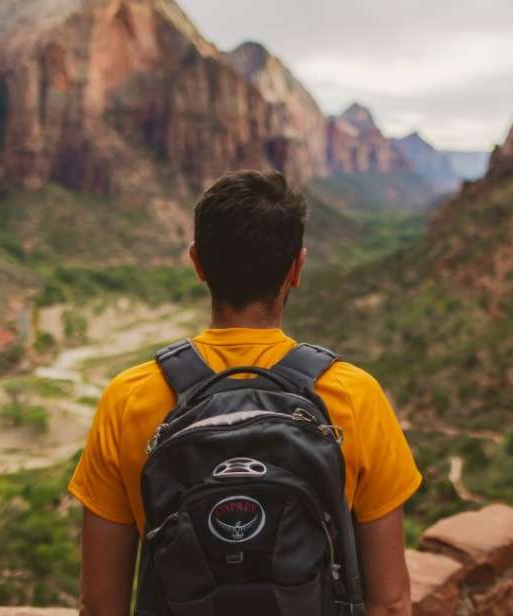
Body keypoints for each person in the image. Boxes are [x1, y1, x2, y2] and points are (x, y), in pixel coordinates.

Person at [68, 170, 421, 616]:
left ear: (197, 264)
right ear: (296, 269)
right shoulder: (354, 395)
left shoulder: (128, 398)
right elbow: (390, 604)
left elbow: (100, 606)